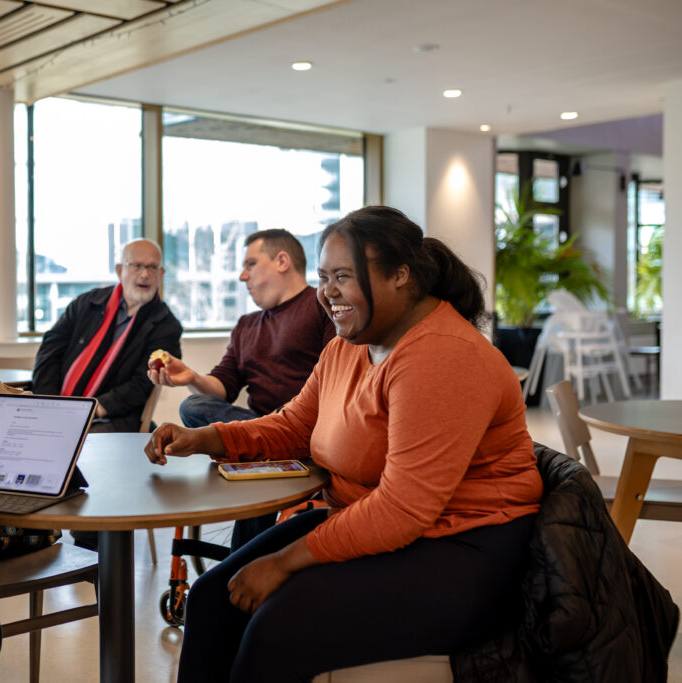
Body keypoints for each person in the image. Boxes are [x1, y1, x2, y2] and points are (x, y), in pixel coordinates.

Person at [144, 206, 544, 682]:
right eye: (323, 277)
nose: (327, 293)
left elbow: (404, 509)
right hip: (376, 526)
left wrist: (284, 563)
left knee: (277, 627)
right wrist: (207, 437)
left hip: (464, 551)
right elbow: (294, 427)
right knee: (214, 595)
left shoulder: (442, 356)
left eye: (343, 277)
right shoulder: (348, 344)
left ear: (402, 275)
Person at [148, 228, 333, 549]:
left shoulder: (321, 307)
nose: (241, 275)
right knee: (194, 406)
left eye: (250, 264)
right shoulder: (247, 325)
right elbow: (222, 386)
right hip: (260, 429)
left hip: (304, 430)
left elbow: (336, 381)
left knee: (253, 454)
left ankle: (241, 559)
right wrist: (190, 376)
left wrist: (283, 420)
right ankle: (258, 455)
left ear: (282, 261)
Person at [33, 238, 183, 433]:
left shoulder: (166, 325)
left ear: (161, 274)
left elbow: (142, 383)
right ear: (120, 270)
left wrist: (91, 411)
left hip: (112, 416)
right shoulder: (87, 303)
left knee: (79, 444)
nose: (145, 274)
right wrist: (48, 403)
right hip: (58, 403)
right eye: (137, 265)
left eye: (153, 267)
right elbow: (50, 351)